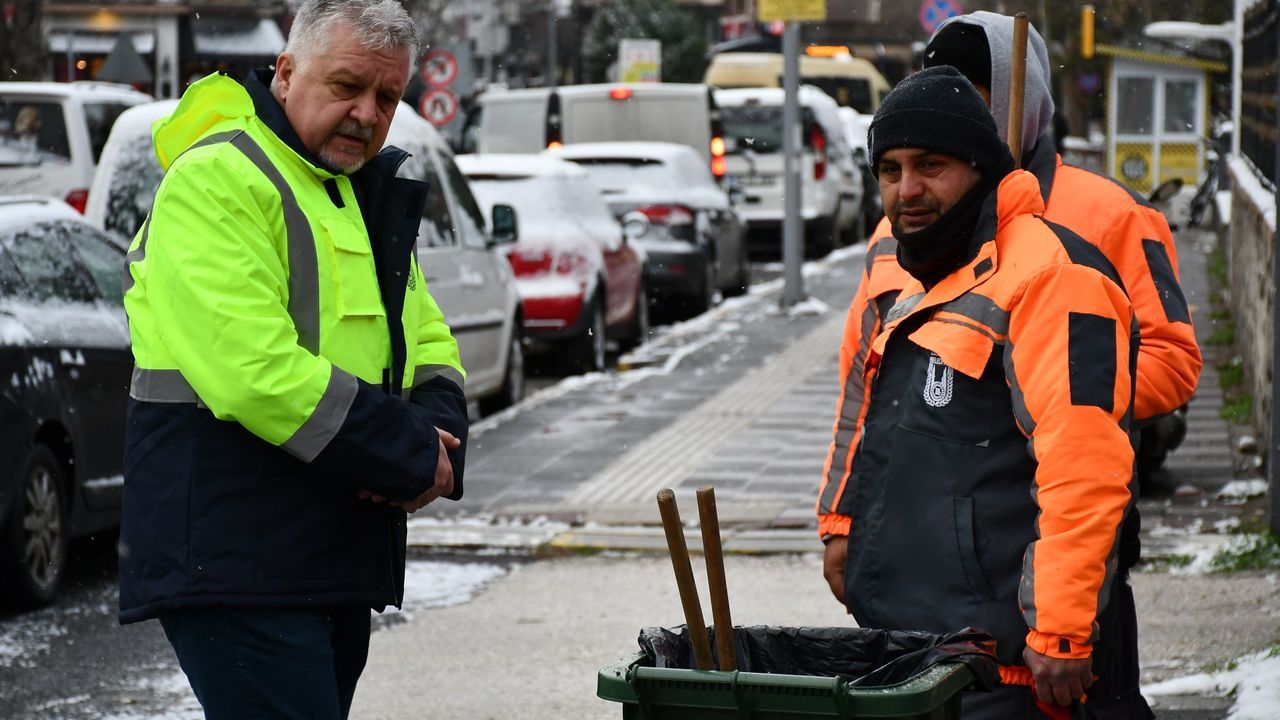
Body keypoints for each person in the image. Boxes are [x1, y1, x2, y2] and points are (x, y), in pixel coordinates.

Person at [818, 12, 1200, 717]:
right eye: (892, 170)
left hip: (1032, 582)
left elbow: (1141, 387)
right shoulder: (900, 235)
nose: (908, 186)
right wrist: (843, 522)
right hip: (919, 599)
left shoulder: (1103, 218)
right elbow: (864, 392)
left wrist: (1036, 394)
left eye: (976, 90)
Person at [117, 1, 467, 717]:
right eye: (347, 86)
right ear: (285, 73)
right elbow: (254, 371)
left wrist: (439, 430)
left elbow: (424, 337)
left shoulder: (349, 191)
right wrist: (403, 452)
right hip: (238, 555)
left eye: (387, 97)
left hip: (322, 556)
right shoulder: (218, 179)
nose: (367, 114)